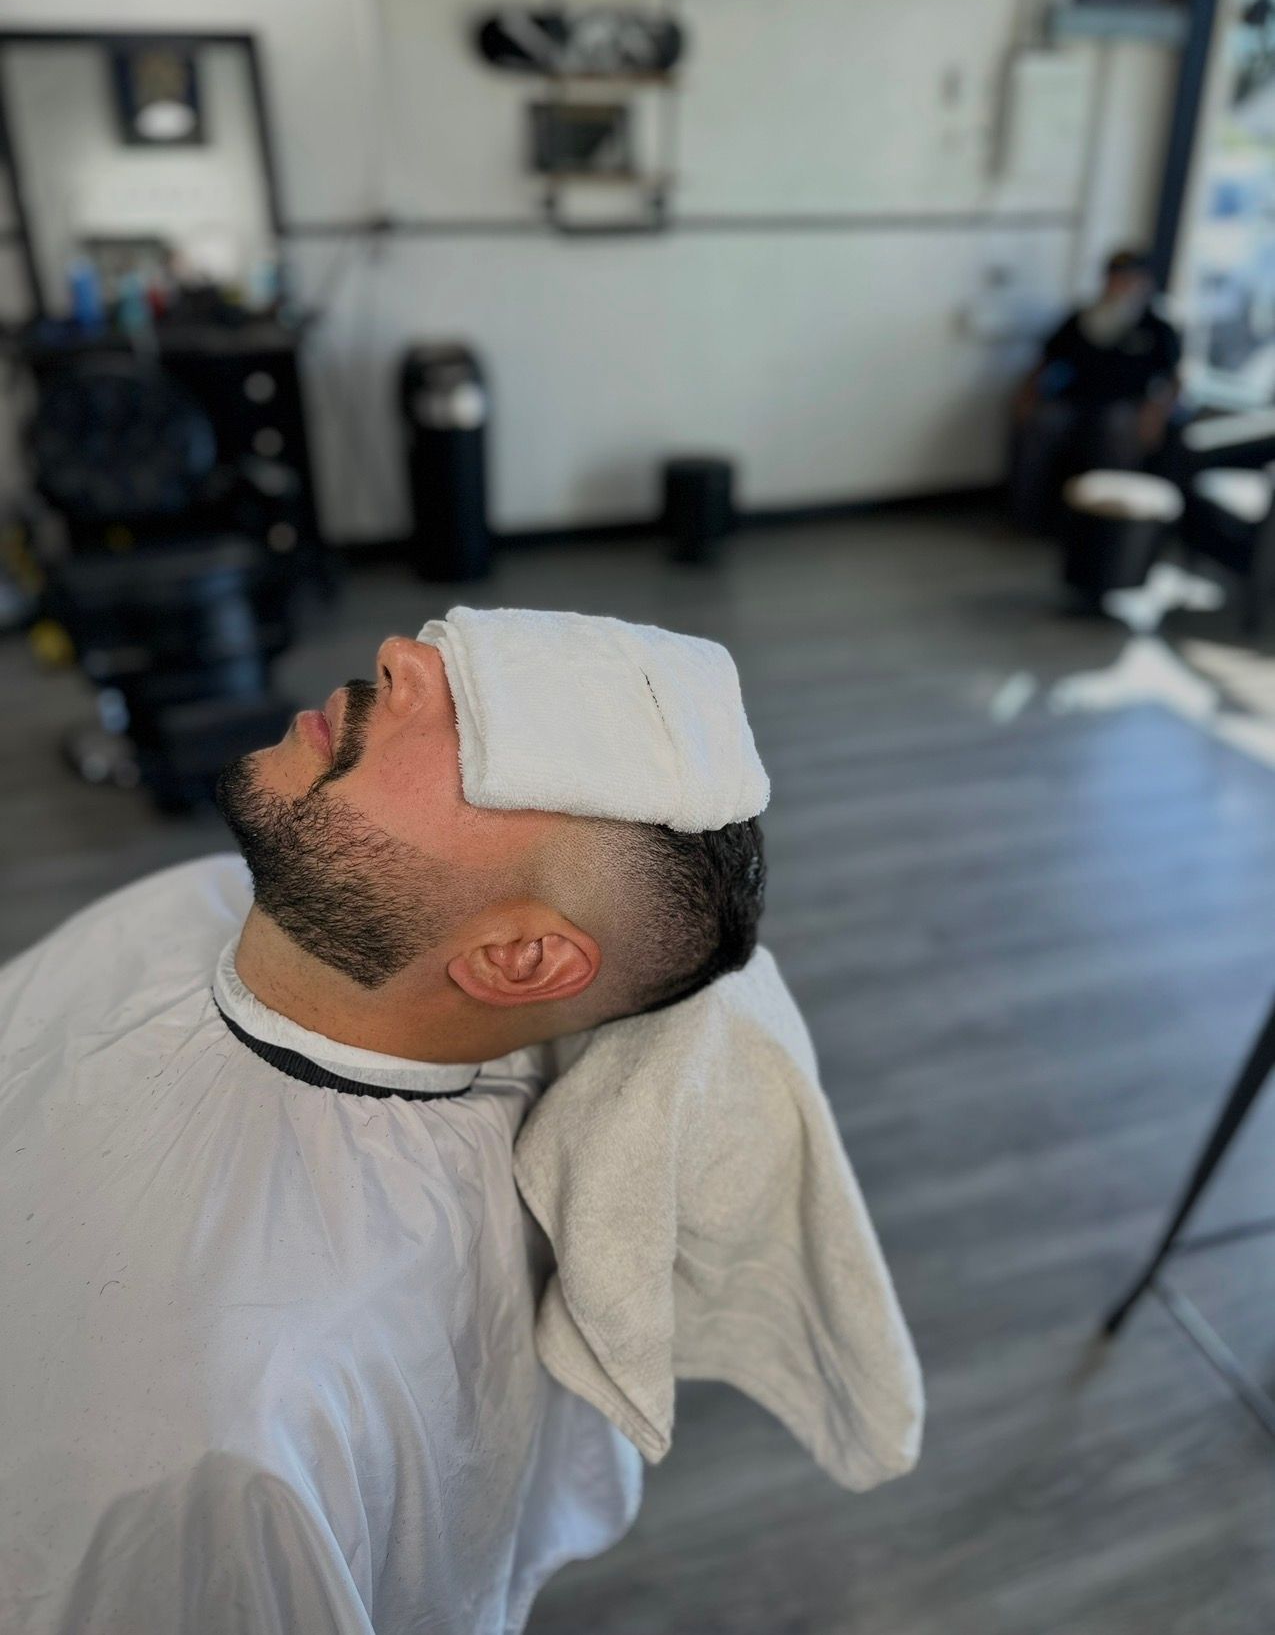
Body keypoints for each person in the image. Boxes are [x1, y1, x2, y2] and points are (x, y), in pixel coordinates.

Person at [0, 629, 767, 1635]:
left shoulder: (232, 1429)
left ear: (520, 959)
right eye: (469, 660)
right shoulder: (184, 901)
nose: (402, 653)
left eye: (493, 734)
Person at [1010, 246, 1184, 532]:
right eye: (1115, 278)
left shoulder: (1156, 326)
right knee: (1040, 424)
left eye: (1129, 278)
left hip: (1127, 406)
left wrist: (1155, 415)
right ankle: (1025, 519)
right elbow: (1045, 360)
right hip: (1076, 400)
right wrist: (1027, 397)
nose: (1120, 285)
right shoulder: (1083, 318)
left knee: (1115, 431)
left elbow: (1174, 378)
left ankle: (1105, 525)